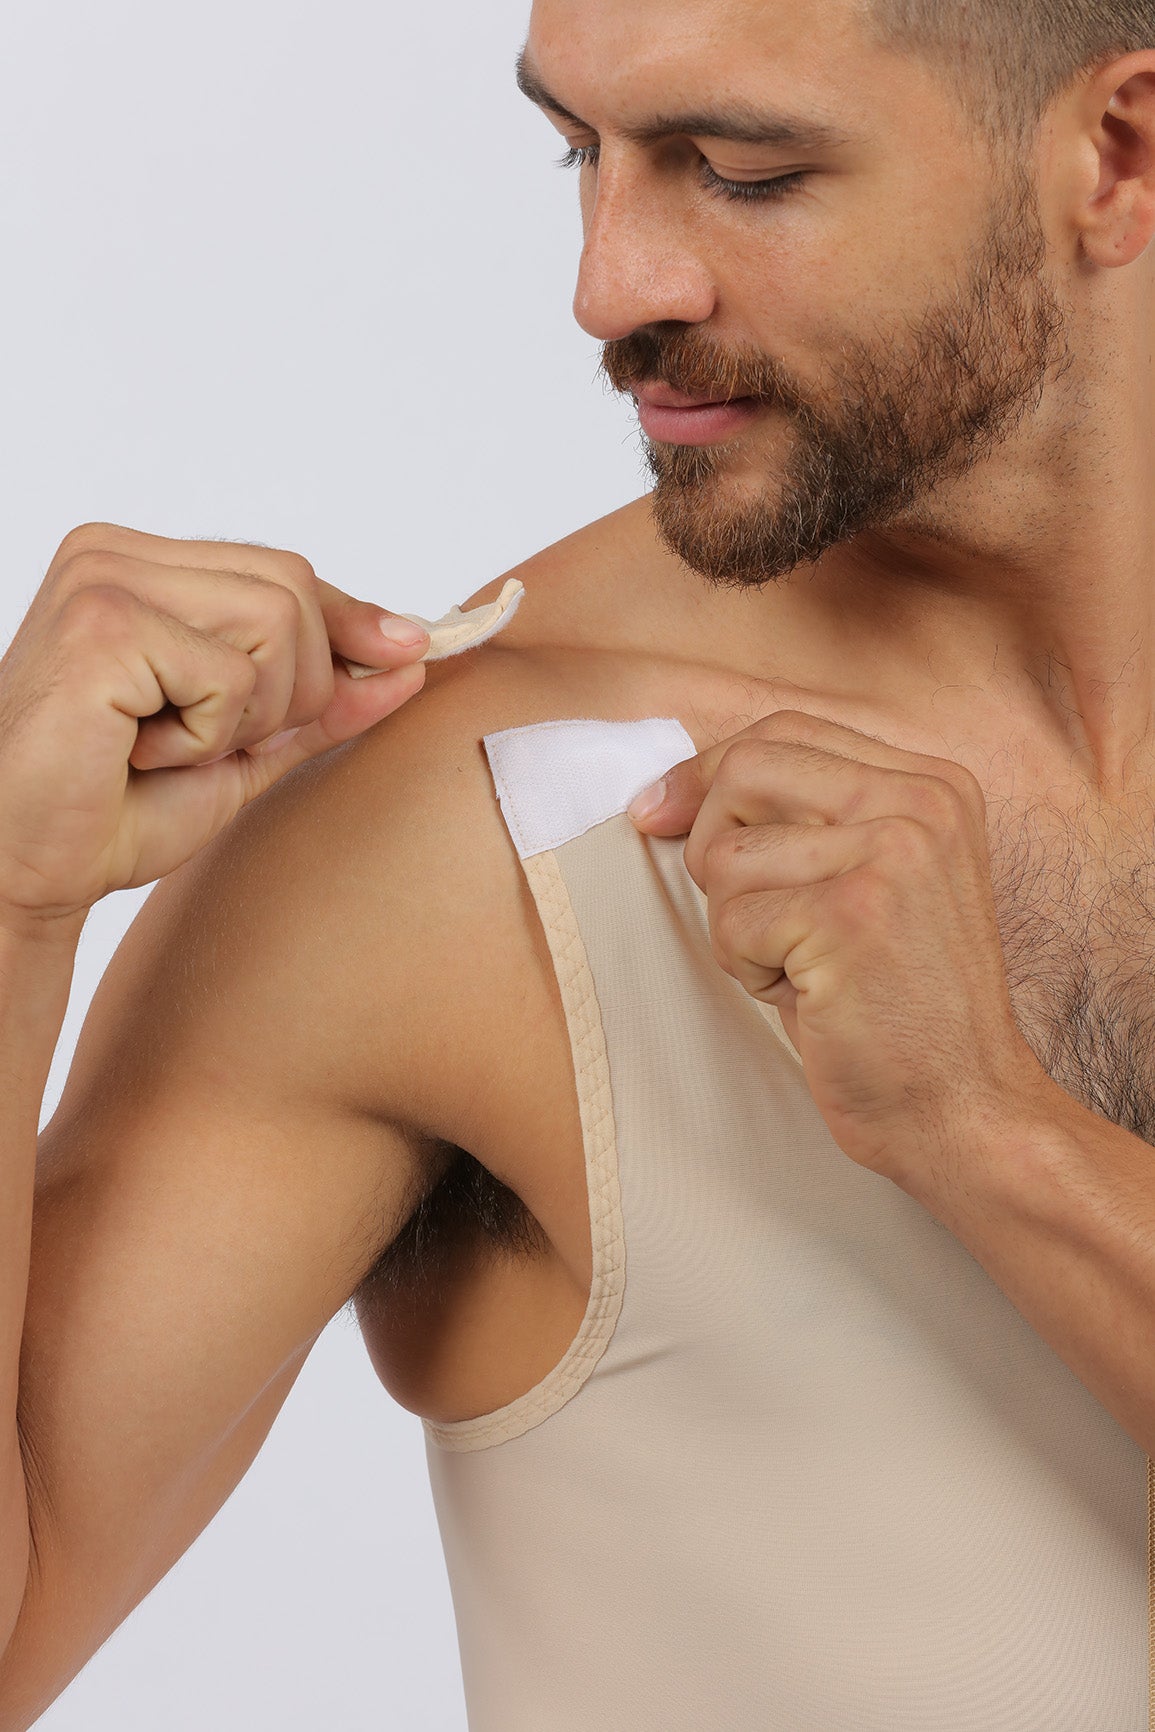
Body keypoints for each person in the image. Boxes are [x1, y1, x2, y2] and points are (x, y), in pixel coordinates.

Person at [3, 0, 1155, 1723]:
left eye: (742, 171)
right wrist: (8, 906)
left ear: (1117, 153)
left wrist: (985, 1127)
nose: (609, 287)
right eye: (578, 153)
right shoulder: (462, 831)